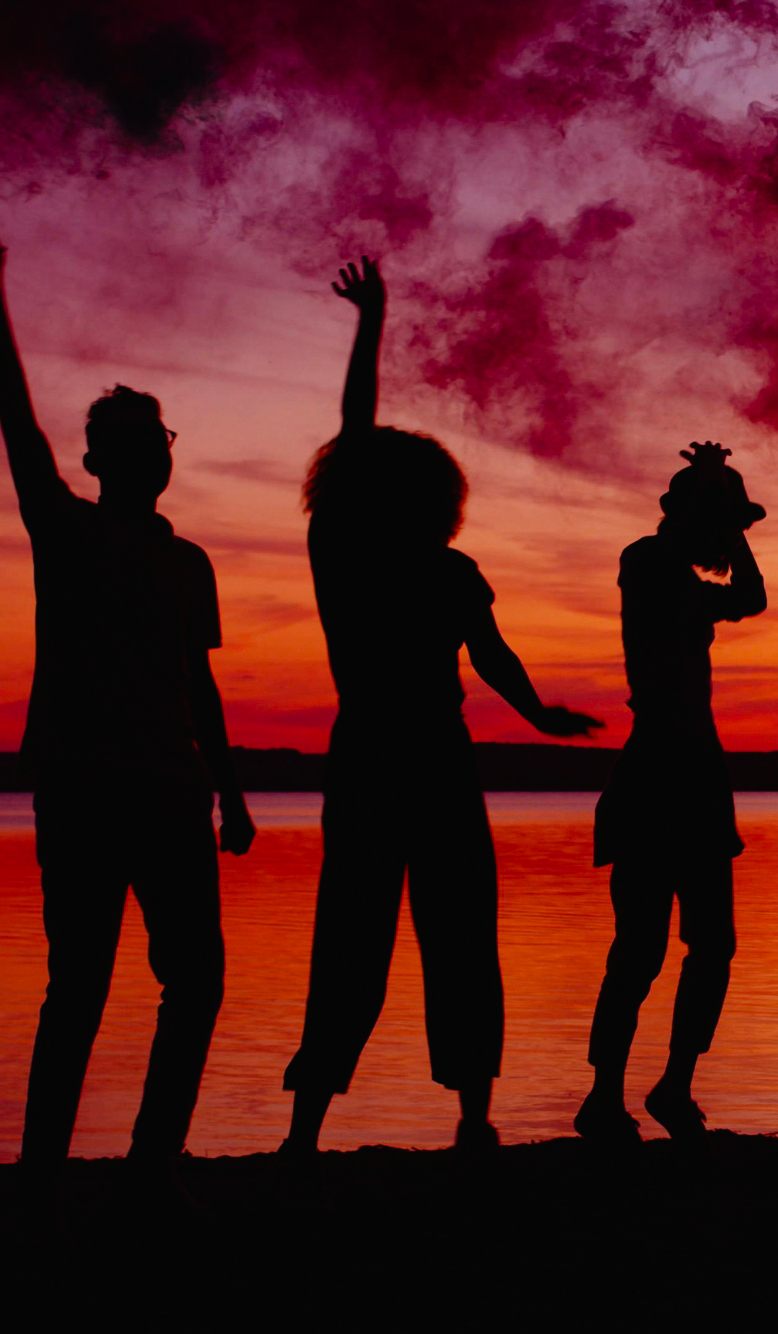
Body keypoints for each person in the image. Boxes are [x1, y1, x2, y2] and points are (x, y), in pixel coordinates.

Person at [281, 257, 601, 1155]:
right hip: (394, 754)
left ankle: (461, 1121)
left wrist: (538, 714)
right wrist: (370, 323)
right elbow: (354, 433)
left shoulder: (426, 567)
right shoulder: (350, 552)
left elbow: (492, 654)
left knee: (435, 933)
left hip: (416, 755)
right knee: (382, 936)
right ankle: (330, 1133)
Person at [0, 243, 256, 1165]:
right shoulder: (65, 528)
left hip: (174, 792)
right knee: (79, 988)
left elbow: (199, 683)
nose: (152, 452)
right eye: (133, 441)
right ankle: (41, 1179)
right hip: (82, 787)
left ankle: (153, 1163)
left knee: (197, 982)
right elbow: (17, 423)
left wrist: (230, 794)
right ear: (97, 459)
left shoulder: (188, 563)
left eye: (159, 439)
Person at [574, 442, 766, 1144]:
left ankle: (674, 1086)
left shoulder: (687, 583)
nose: (728, 539)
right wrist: (712, 494)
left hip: (698, 779)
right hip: (655, 775)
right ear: (690, 517)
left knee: (713, 945)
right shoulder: (647, 562)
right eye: (723, 525)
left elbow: (753, 597)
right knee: (639, 949)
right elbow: (739, 591)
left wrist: (728, 518)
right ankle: (604, 1095)